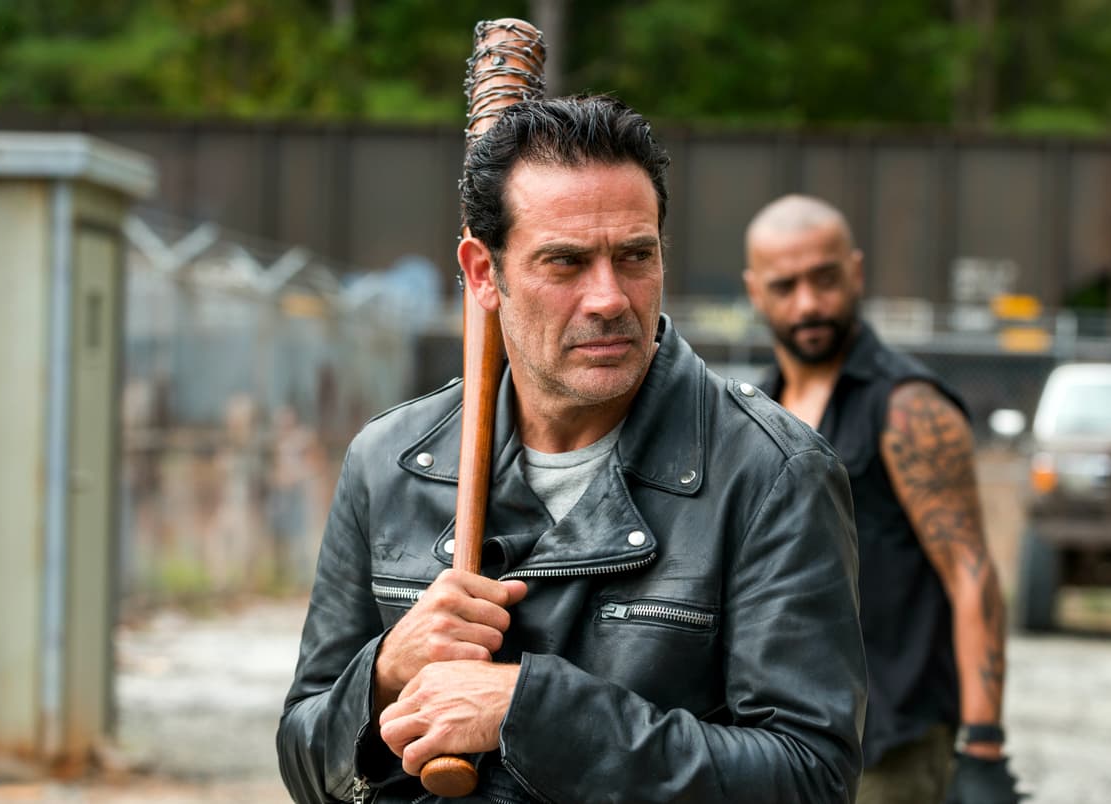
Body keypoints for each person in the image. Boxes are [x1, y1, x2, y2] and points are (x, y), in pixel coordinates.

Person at [278, 97, 867, 804]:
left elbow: (808, 778)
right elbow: (304, 761)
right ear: (483, 273)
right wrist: (381, 677)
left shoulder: (770, 474)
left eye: (635, 256)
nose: (609, 298)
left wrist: (532, 713)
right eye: (566, 262)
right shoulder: (391, 462)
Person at [743, 195, 1021, 804]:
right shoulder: (754, 413)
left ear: (856, 273)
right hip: (779, 741)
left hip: (891, 746)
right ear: (755, 292)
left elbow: (971, 572)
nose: (808, 303)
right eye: (785, 286)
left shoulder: (907, 406)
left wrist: (983, 747)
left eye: (825, 279)